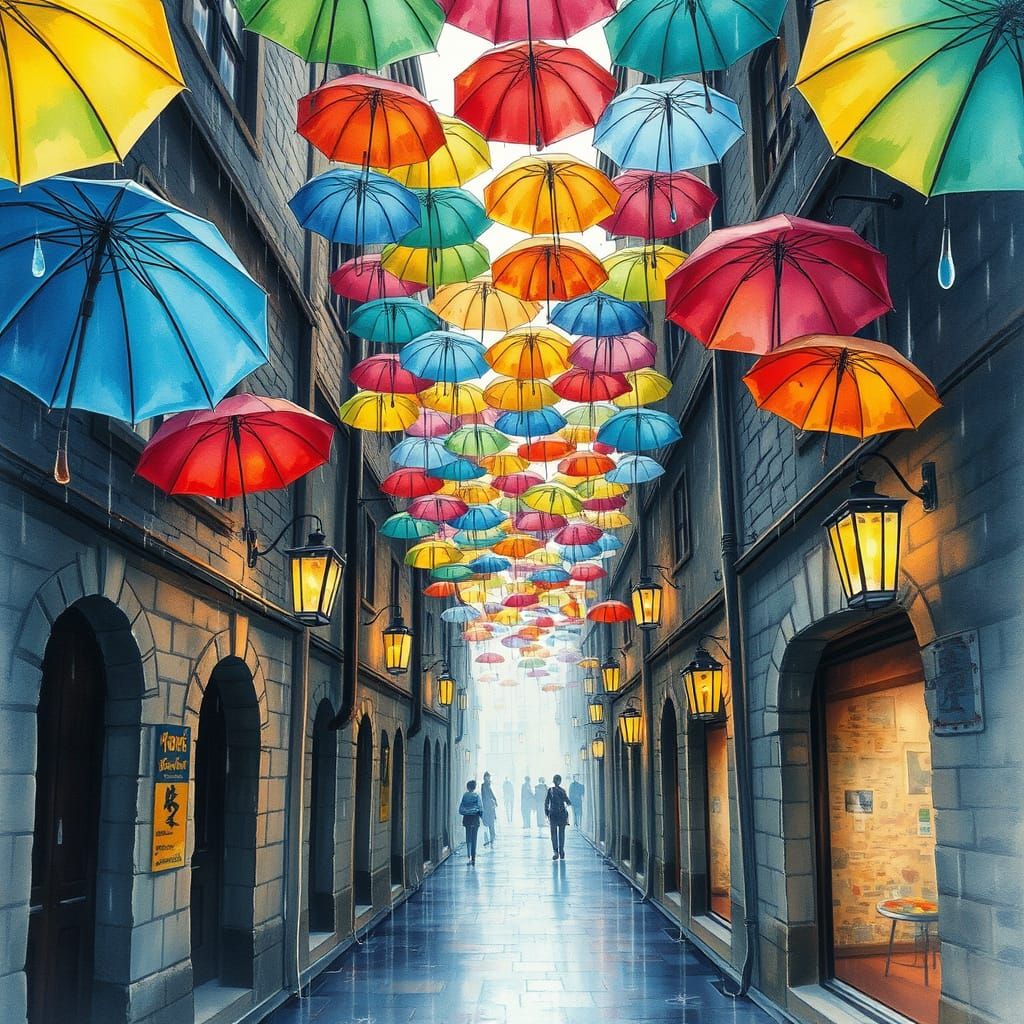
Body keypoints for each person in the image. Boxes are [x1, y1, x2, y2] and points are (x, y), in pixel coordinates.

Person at [545, 774, 572, 860]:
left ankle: (556, 851)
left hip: (553, 814)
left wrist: (547, 812)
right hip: (561, 814)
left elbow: (546, 802)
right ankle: (561, 851)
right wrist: (568, 802)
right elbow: (568, 801)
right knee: (561, 833)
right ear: (559, 781)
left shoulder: (550, 790)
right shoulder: (562, 791)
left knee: (554, 834)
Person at [458, 780, 483, 866]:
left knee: (468, 837)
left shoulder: (465, 796)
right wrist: (481, 816)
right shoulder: (477, 796)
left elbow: (461, 808)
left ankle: (468, 855)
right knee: (474, 838)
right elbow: (481, 808)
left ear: (468, 787)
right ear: (474, 787)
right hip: (475, 819)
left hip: (467, 819)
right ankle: (473, 857)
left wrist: (466, 811)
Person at [480, 771, 498, 846]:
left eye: (489, 777)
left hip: (490, 806)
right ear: (484, 777)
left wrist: (495, 800)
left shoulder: (488, 785)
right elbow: (486, 796)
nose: (488, 778)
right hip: (488, 806)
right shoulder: (484, 785)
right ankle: (491, 837)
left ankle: (492, 837)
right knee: (489, 822)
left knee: (491, 822)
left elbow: (491, 794)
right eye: (487, 777)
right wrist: (492, 801)